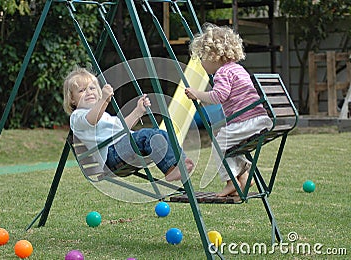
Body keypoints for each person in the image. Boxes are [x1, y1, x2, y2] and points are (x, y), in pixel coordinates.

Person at [184, 24, 273, 197]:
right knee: (230, 144)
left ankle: (231, 181)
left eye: (203, 57)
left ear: (214, 55)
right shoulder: (238, 69)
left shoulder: (223, 73)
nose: (201, 62)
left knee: (219, 142)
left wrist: (197, 94)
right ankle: (245, 175)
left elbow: (219, 96)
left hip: (247, 121)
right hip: (260, 120)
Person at [63, 67, 194, 182]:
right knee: (146, 136)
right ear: (72, 99)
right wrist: (104, 100)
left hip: (121, 147)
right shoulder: (77, 116)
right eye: (81, 90)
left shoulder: (103, 115)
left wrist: (138, 111)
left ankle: (179, 162)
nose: (89, 92)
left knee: (160, 133)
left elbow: (122, 128)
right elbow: (92, 120)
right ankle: (170, 169)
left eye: (92, 88)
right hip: (111, 155)